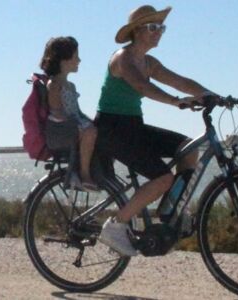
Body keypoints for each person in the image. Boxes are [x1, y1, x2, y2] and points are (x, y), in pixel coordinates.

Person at [94, 5, 226, 256]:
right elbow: (142, 86)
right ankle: (116, 225)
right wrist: (175, 101)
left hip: (134, 126)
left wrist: (213, 95)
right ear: (137, 31)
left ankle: (172, 208)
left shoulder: (149, 62)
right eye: (153, 27)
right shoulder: (122, 58)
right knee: (163, 178)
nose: (159, 32)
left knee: (188, 149)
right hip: (111, 130)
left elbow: (181, 81)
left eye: (161, 28)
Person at [39, 36, 98, 190]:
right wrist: (79, 125)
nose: (79, 60)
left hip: (72, 125)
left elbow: (77, 111)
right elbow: (56, 111)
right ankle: (84, 174)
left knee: (100, 130)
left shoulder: (70, 86)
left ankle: (94, 170)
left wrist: (92, 121)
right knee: (90, 132)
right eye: (76, 56)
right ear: (63, 60)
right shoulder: (55, 85)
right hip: (60, 130)